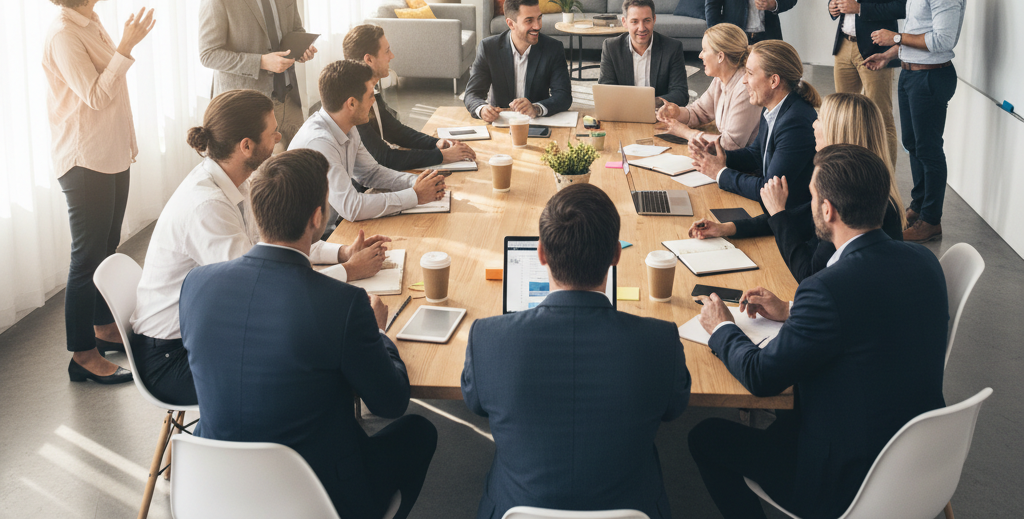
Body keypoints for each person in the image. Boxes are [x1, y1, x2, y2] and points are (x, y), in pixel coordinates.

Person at [688, 144, 947, 519]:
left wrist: (721, 329)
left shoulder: (827, 287)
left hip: (848, 481)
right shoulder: (925, 260)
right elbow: (867, 321)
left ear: (828, 210)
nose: (808, 204)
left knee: (705, 437)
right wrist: (791, 311)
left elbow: (761, 378)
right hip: (922, 461)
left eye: (811, 196)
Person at [180, 149, 437, 519]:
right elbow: (391, 403)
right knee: (418, 432)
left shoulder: (196, 285)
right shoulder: (343, 305)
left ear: (257, 211)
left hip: (215, 490)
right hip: (316, 498)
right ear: (318, 217)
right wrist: (380, 334)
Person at [131, 90, 389, 404]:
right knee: (319, 362)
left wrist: (342, 252)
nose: (279, 136)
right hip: (174, 359)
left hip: (209, 331)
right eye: (272, 132)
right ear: (246, 146)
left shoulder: (241, 180)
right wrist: (348, 272)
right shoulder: (208, 207)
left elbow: (278, 243)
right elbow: (263, 291)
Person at [461, 184, 690, 519]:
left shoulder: (487, 338)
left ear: (541, 254)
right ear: (616, 255)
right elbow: (673, 409)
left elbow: (476, 405)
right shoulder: (661, 341)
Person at [42, 0, 155, 385]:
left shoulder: (90, 21)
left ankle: (103, 327)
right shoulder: (63, 35)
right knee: (86, 257)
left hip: (110, 153)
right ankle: (82, 354)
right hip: (84, 160)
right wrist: (126, 47)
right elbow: (94, 95)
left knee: (107, 249)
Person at [688, 92, 904, 280]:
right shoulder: (855, 182)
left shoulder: (854, 200)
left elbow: (809, 273)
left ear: (838, 133)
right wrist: (728, 228)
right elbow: (801, 217)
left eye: (820, 119)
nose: (814, 124)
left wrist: (778, 212)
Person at [864, 0, 967, 244]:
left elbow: (942, 41)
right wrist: (890, 55)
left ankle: (931, 220)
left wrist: (895, 39)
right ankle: (920, 205)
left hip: (931, 79)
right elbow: (917, 33)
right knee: (914, 145)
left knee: (929, 149)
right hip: (911, 74)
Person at [198, 0, 317, 147]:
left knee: (298, 171)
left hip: (289, 100)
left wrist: (303, 48)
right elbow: (208, 55)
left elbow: (296, 29)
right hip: (247, 109)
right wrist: (262, 62)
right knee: (260, 179)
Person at [290, 60, 447, 221]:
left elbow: (371, 173)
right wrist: (415, 195)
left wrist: (418, 182)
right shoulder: (319, 143)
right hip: (317, 239)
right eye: (371, 95)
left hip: (333, 225)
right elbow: (352, 207)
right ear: (351, 103)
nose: (374, 101)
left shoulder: (347, 125)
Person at [688, 40, 820, 207]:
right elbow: (755, 155)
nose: (744, 80)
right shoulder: (772, 107)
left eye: (749, 73)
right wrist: (718, 154)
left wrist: (720, 173)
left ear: (774, 81)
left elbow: (768, 189)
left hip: (787, 219)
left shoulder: (796, 122)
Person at [828, 0, 910, 167]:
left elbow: (900, 6)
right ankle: (847, 175)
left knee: (880, 118)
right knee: (844, 116)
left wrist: (860, 8)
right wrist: (833, 6)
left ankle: (886, 188)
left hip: (875, 49)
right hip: (843, 47)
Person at [342, 24, 476, 170]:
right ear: (369, 60)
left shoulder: (369, 90)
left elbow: (395, 130)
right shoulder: (355, 104)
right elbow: (384, 157)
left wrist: (435, 143)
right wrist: (443, 156)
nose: (391, 56)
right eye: (387, 51)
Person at [464, 0, 572, 121]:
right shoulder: (488, 48)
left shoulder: (553, 48)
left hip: (537, 122)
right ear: (510, 24)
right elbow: (472, 93)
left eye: (539, 18)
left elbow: (563, 96)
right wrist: (481, 109)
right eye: (529, 21)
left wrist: (536, 108)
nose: (537, 26)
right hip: (500, 121)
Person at [656, 23, 761, 152]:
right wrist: (677, 112)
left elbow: (730, 145)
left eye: (705, 50)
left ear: (720, 57)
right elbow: (699, 112)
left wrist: (686, 133)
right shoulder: (720, 80)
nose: (700, 55)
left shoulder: (745, 88)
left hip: (747, 167)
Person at [598, 0, 689, 105]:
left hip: (659, 114)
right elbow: (605, 91)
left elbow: (681, 94)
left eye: (647, 20)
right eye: (634, 21)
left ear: (654, 19)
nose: (641, 28)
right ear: (624, 22)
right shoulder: (611, 47)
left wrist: (648, 103)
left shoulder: (672, 48)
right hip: (624, 111)